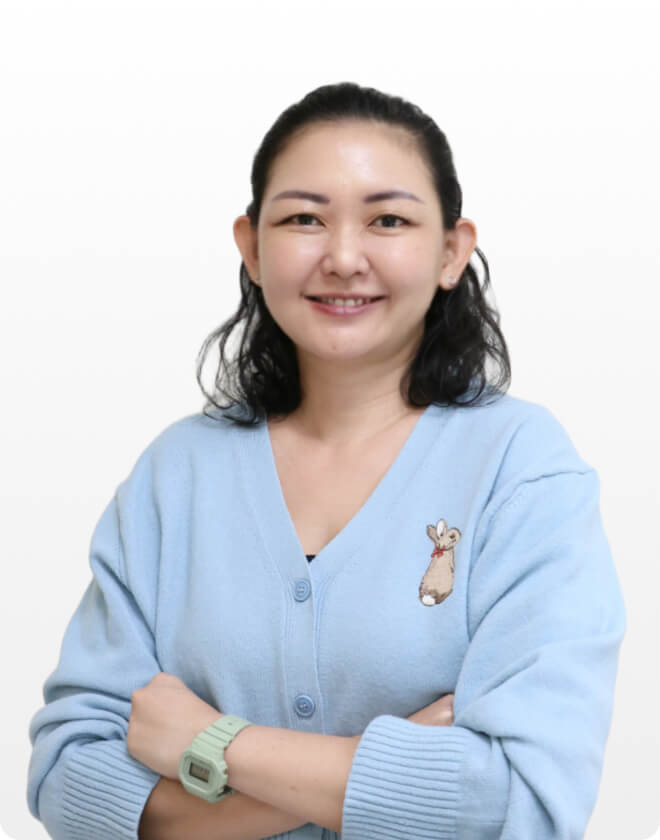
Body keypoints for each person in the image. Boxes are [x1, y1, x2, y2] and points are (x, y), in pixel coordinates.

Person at [26, 81, 627, 840]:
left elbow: (521, 802)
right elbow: (71, 783)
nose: (343, 258)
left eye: (388, 220)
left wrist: (208, 744)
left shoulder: (521, 470)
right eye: (304, 219)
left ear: (451, 251)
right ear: (252, 247)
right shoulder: (175, 474)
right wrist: (376, 772)